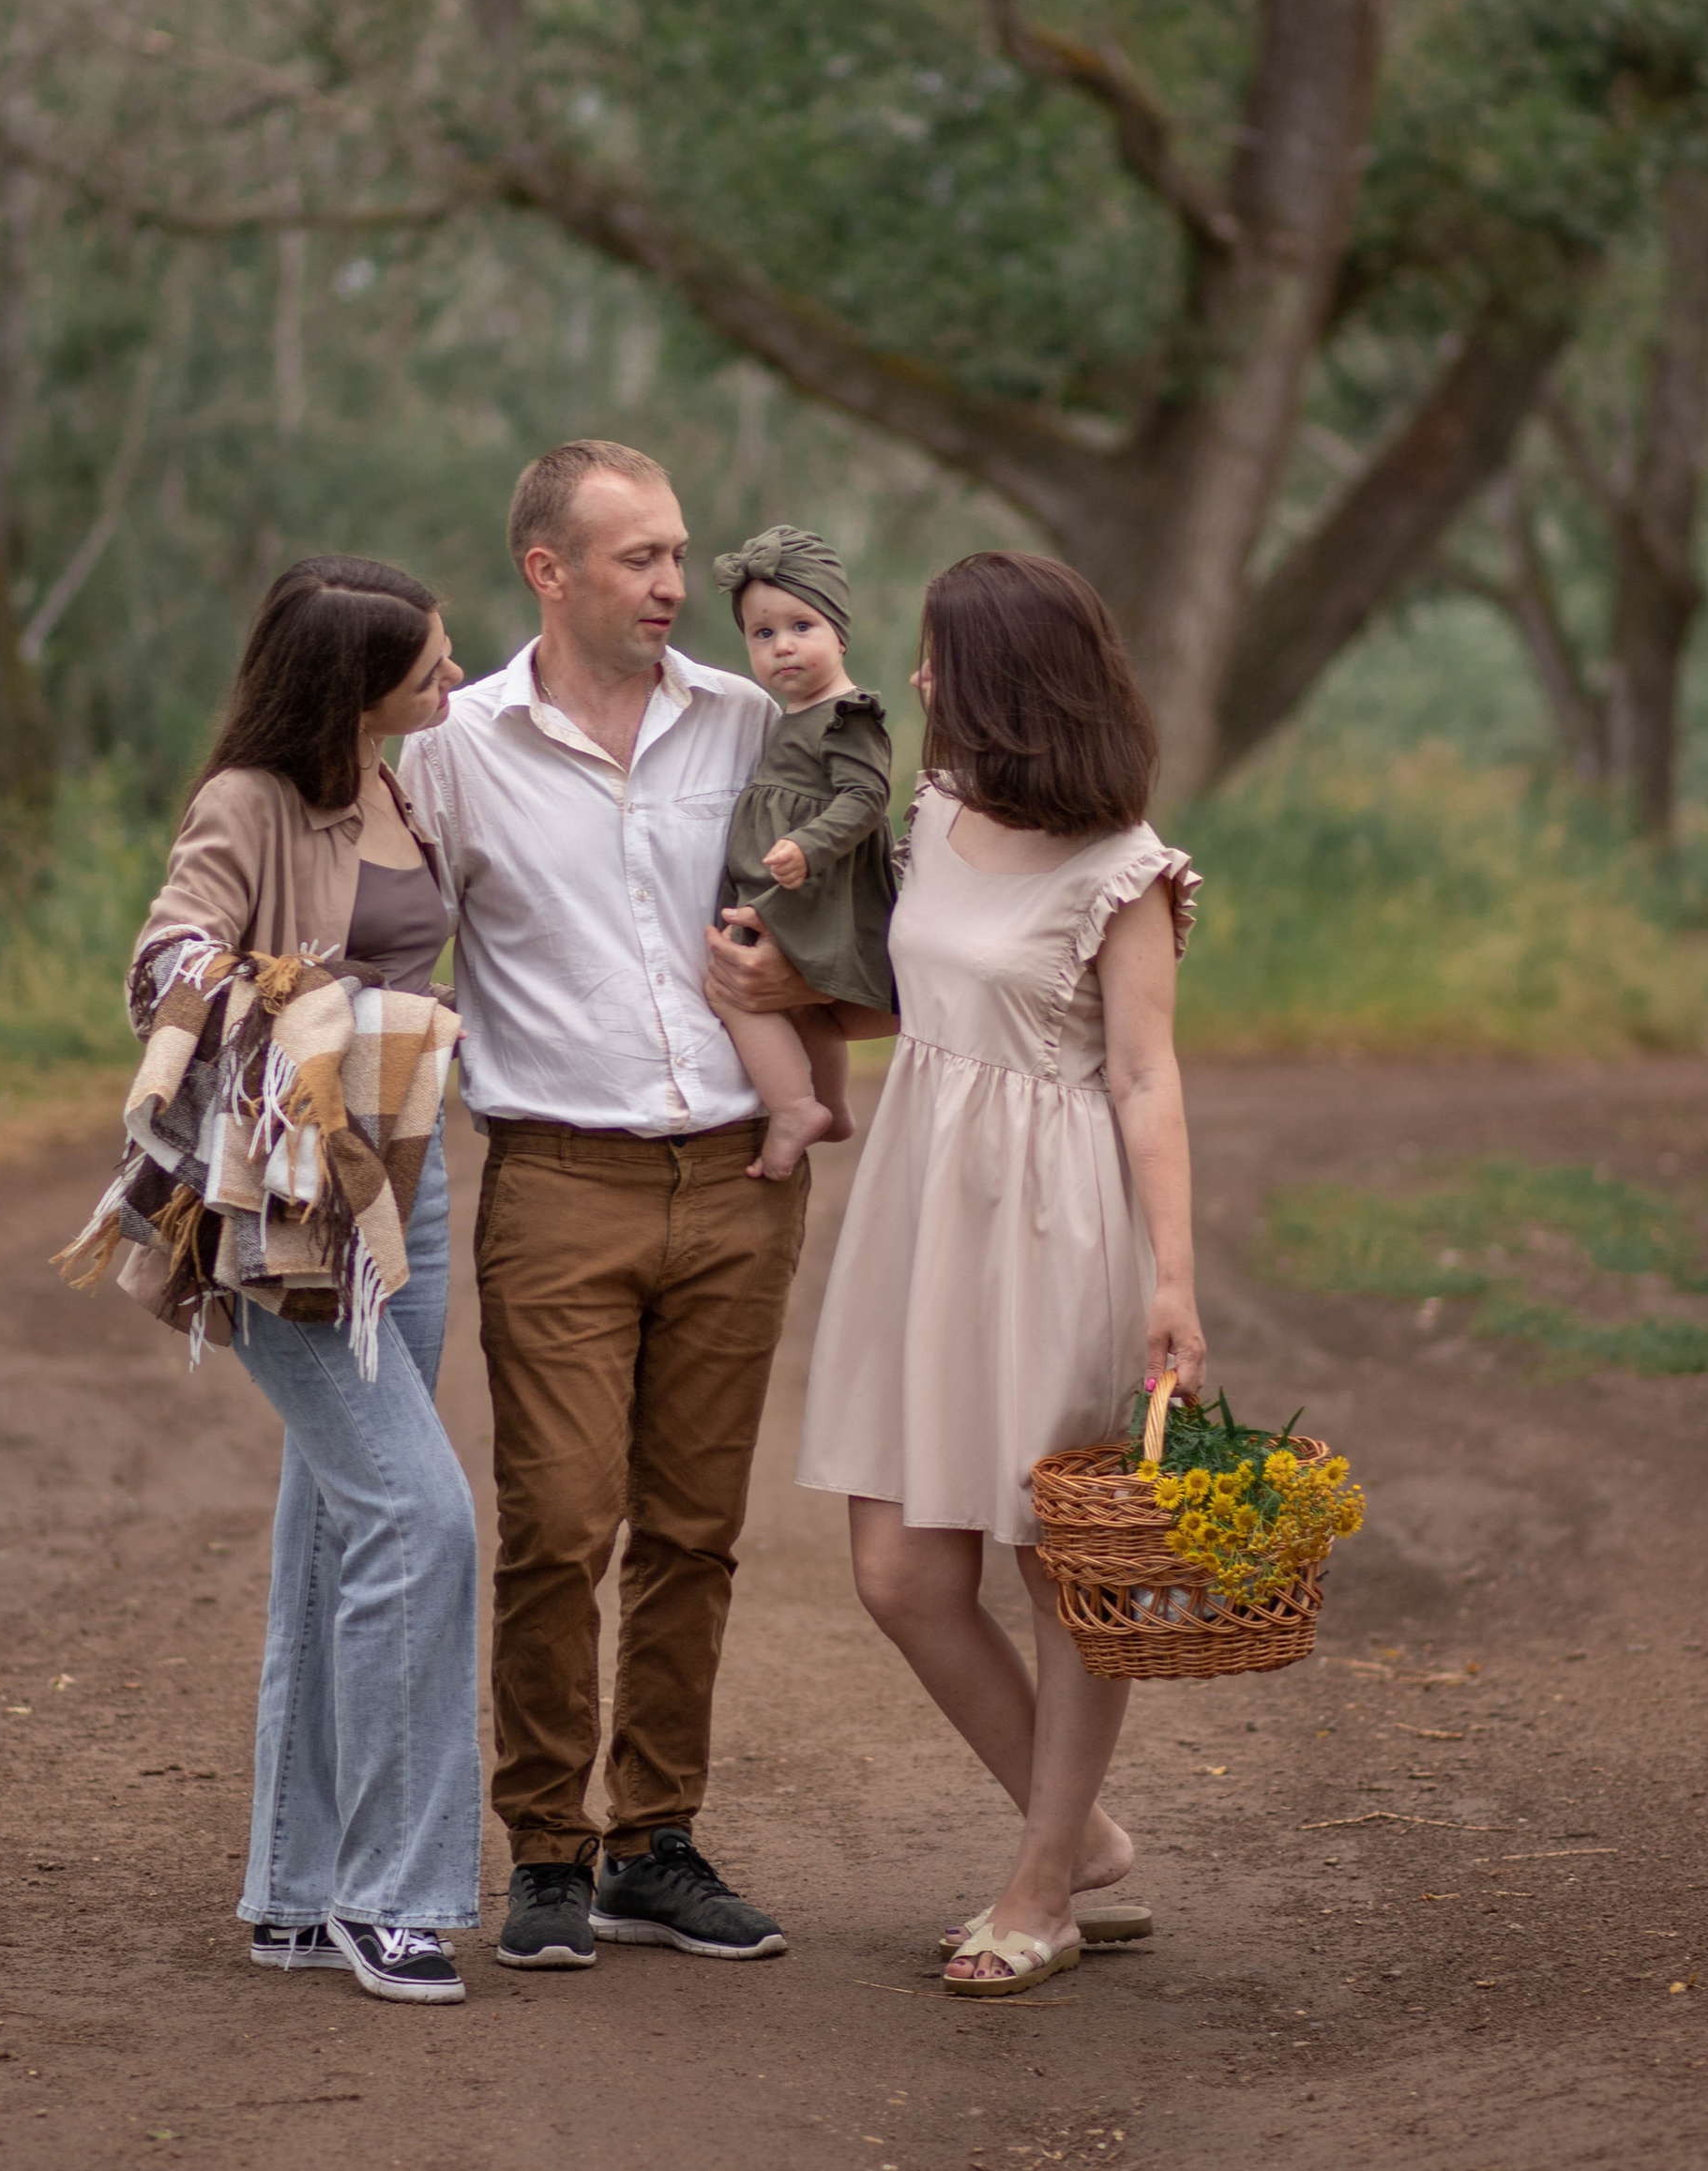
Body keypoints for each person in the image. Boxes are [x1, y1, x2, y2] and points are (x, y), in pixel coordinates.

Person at [401, 441, 857, 1975]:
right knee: (557, 1526)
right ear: (549, 570)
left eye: (680, 556)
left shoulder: (747, 724)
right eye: (642, 559)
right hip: (557, 1181)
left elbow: (848, 902)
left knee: (694, 1529)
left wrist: (801, 993)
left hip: (741, 1176)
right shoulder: (453, 748)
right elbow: (387, 932)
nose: (679, 585)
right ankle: (544, 1848)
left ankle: (653, 1844)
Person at [784, 551, 1204, 2000]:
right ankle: (1079, 1831)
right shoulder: (939, 811)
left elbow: (1147, 1079)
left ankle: (1040, 1885)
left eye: (937, 660)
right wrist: (774, 997)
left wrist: (1175, 1286)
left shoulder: (1126, 870)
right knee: (900, 1570)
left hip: (1056, 1225)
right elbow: (918, 1001)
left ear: (1008, 683)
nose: (914, 682)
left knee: (1059, 1566)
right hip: (920, 1214)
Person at [132, 556, 482, 2008]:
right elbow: (166, 955)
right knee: (422, 1517)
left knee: (343, 1529)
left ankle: (291, 1884)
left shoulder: (412, 782)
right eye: (432, 664)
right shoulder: (251, 805)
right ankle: (389, 1898)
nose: (456, 679)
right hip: (287, 1209)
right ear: (353, 685)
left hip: (414, 1190)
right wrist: (283, 998)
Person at [707, 526, 897, 1178]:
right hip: (788, 882)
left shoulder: (850, 714)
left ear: (840, 633)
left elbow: (866, 797)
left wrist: (807, 847)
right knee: (801, 1000)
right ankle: (833, 1106)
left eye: (802, 626)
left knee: (733, 988)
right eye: (763, 635)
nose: (782, 645)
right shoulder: (791, 715)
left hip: (803, 887)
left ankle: (794, 1106)